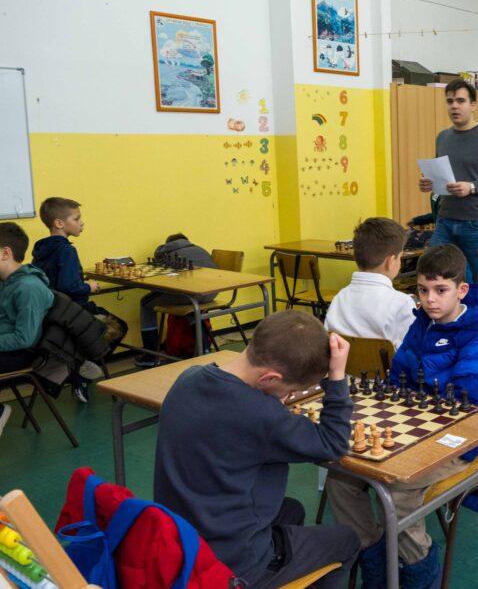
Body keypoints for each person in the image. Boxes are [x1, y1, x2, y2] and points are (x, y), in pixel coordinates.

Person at [326, 244, 478, 588]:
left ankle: (418, 567)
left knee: (398, 490)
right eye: (423, 290)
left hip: (458, 441)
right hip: (411, 431)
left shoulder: (475, 337)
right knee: (341, 477)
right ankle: (374, 556)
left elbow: (470, 401)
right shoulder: (420, 325)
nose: (430, 300)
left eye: (440, 290)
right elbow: (398, 378)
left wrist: (421, 403)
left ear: (461, 290)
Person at [153, 310, 360, 589]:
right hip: (230, 562)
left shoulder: (188, 378)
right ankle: (260, 577)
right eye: (290, 390)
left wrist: (274, 398)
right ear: (269, 378)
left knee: (292, 510)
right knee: (347, 540)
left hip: (180, 540)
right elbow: (333, 442)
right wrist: (336, 377)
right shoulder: (262, 416)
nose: (288, 397)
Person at [419, 79, 478, 284]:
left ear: (473, 105)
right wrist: (429, 182)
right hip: (445, 220)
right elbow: (442, 174)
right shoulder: (443, 137)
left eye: (460, 101)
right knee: (434, 273)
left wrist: (471, 187)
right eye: (450, 101)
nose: (454, 106)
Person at [31, 197, 123, 401]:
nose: (82, 223)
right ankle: (81, 372)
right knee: (117, 327)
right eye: (76, 218)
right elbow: (69, 287)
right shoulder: (67, 250)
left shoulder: (42, 249)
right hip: (72, 311)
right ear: (59, 223)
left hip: (51, 313)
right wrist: (88, 286)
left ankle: (79, 365)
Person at [324, 217, 416, 353]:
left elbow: (329, 343)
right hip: (387, 367)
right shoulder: (402, 303)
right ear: (391, 261)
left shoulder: (340, 297)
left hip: (342, 366)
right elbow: (410, 353)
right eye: (400, 258)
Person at [135, 233, 217, 368]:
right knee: (192, 307)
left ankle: (151, 354)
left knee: (145, 303)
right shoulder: (201, 250)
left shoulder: (165, 252)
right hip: (211, 293)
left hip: (190, 295)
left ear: (167, 244)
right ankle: (205, 349)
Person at [0, 222, 54, 374]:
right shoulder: (5, 281)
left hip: (19, 353)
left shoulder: (28, 287)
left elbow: (25, 339)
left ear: (5, 254)